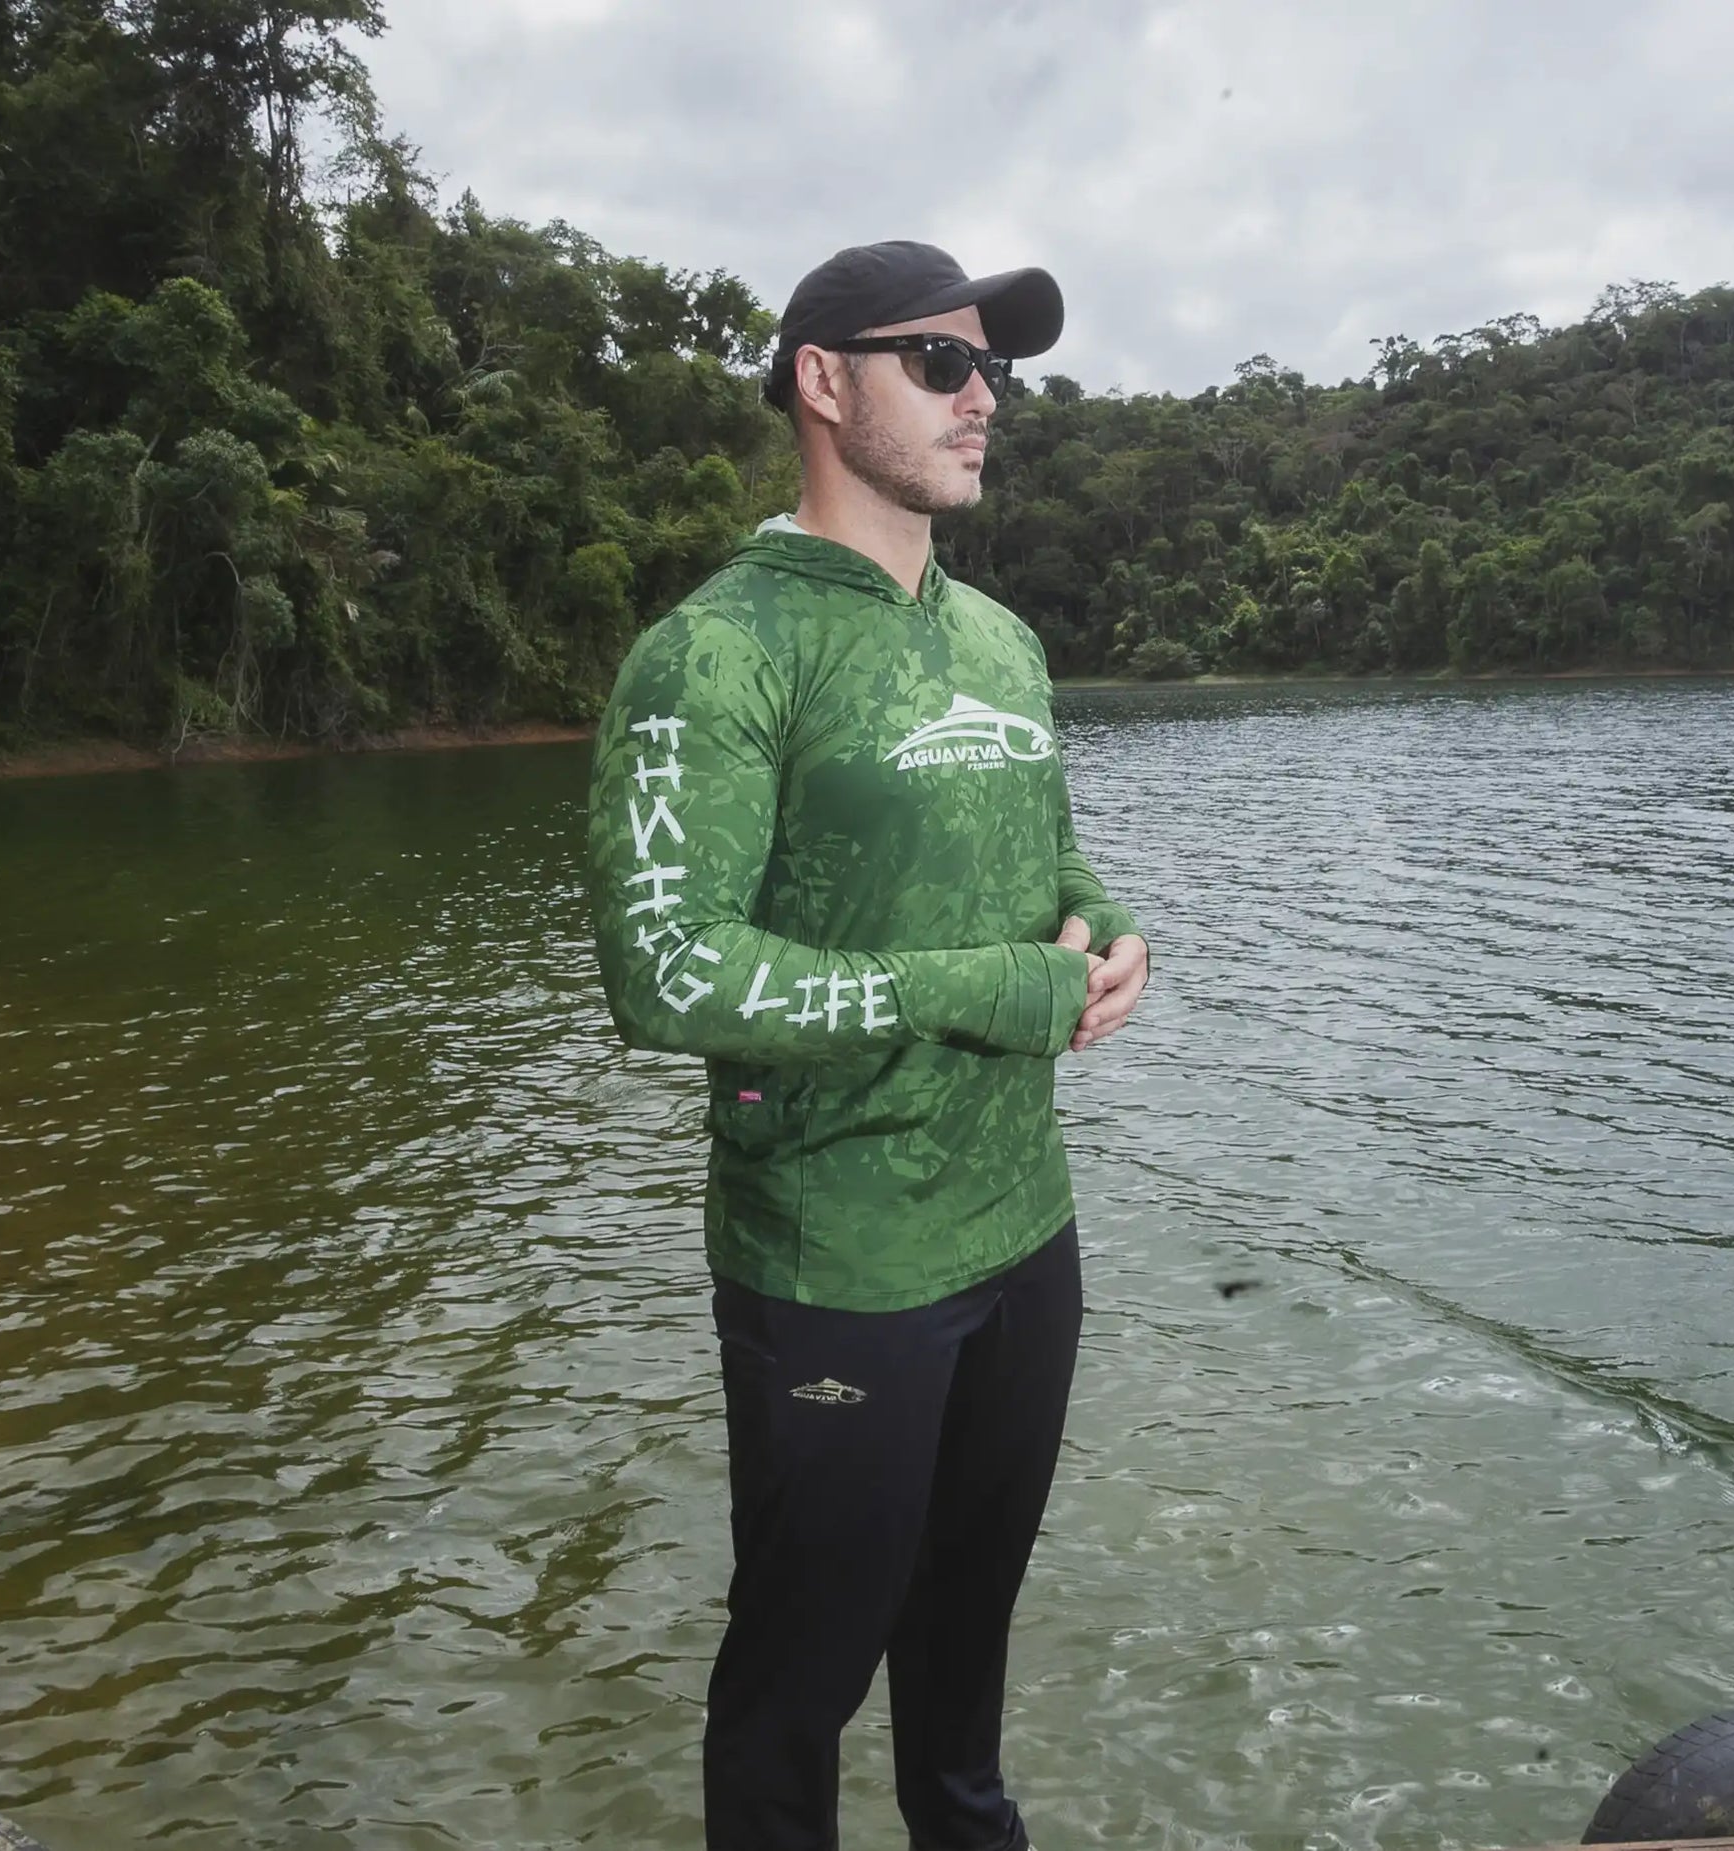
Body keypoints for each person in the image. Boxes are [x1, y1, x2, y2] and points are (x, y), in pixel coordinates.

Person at [585, 239, 1150, 1851]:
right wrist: (975, 989)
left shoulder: (1001, 641)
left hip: (1024, 1234)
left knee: (964, 1661)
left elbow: (1050, 862)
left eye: (994, 370)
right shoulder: (715, 651)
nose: (985, 400)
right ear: (823, 382)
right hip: (836, 1259)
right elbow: (666, 974)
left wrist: (1105, 930)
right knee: (799, 1679)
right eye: (942, 362)